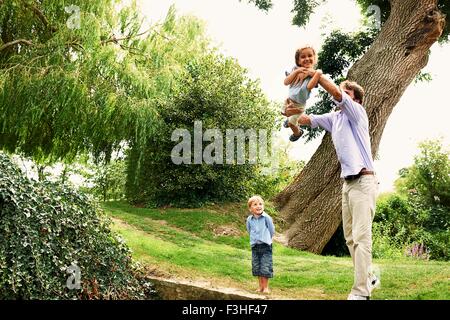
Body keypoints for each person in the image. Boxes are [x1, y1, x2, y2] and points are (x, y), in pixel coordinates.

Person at [285, 74, 379, 300]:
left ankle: (361, 293)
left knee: (361, 237)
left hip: (364, 182)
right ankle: (369, 277)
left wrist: (315, 76)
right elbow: (308, 119)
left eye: (346, 92)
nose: (340, 94)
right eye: (343, 92)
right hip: (348, 184)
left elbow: (335, 93)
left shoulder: (357, 114)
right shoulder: (335, 118)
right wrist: (294, 114)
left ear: (354, 100)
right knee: (350, 238)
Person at [282, 46, 322, 142]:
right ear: (298, 61)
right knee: (284, 112)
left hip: (299, 104)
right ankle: (290, 119)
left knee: (292, 124)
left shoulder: (314, 74)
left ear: (314, 58)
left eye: (310, 56)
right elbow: (286, 82)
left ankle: (298, 133)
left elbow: (309, 87)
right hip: (289, 99)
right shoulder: (295, 69)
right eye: (303, 57)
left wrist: (318, 73)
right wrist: (297, 71)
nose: (307, 58)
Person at [246, 195, 275, 294]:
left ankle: (266, 287)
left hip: (266, 246)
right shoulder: (249, 219)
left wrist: (267, 239)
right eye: (255, 204)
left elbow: (272, 230)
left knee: (265, 266)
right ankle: (260, 287)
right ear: (250, 208)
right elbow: (249, 230)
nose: (258, 206)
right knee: (257, 266)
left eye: (260, 204)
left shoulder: (267, 218)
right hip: (255, 246)